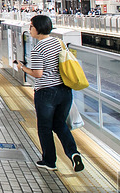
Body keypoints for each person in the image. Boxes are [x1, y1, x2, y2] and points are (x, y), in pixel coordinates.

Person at [15, 15, 85, 173]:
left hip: (46, 93)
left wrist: (23, 68)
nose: (30, 29)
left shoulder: (38, 49)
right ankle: (74, 153)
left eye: (31, 26)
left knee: (45, 127)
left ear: (39, 29)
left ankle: (49, 161)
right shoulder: (58, 43)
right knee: (60, 124)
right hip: (64, 91)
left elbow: (38, 74)